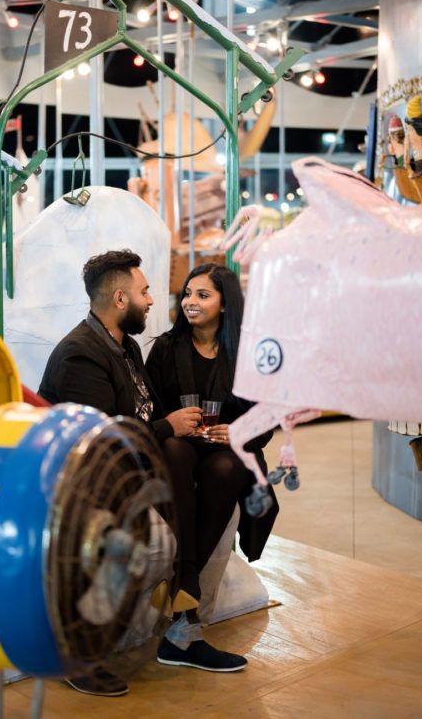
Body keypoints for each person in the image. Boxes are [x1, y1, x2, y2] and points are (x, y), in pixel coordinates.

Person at [38, 249, 202, 698]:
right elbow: (102, 446)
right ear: (118, 297)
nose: (152, 300)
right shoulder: (81, 355)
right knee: (151, 546)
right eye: (144, 291)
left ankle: (183, 620)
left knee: (215, 473)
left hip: (130, 477)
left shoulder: (125, 345)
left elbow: (144, 414)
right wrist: (169, 427)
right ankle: (76, 650)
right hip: (84, 487)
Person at [144, 262, 275, 673]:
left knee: (226, 468)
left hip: (223, 452)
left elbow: (265, 418)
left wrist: (237, 432)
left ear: (224, 304)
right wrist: (176, 425)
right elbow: (151, 410)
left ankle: (184, 581)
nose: (190, 302)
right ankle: (187, 591)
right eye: (187, 294)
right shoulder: (165, 348)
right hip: (178, 450)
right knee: (176, 451)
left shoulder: (246, 353)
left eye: (203, 295)